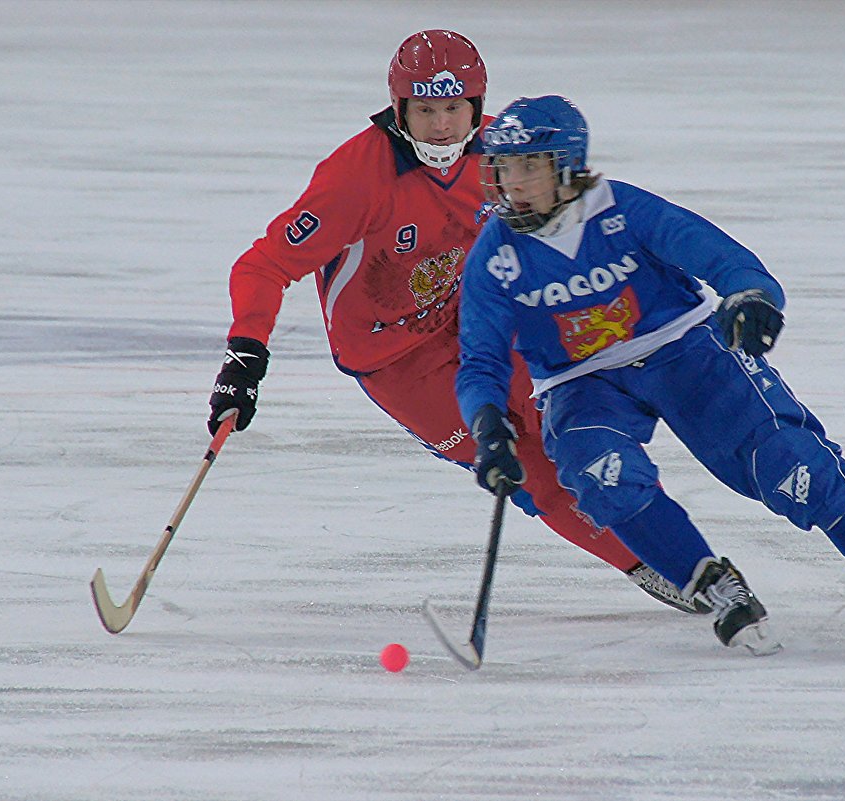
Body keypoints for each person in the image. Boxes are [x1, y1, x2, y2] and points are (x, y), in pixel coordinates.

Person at [455, 94, 845, 656]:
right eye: (504, 166)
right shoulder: (495, 257)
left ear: (566, 165)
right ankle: (713, 587)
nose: (511, 181)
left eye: (527, 165)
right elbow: (481, 361)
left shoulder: (624, 211)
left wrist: (751, 296)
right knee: (601, 476)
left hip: (683, 350)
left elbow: (718, 256)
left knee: (794, 463)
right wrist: (488, 422)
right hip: (580, 383)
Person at [206, 31, 705, 613]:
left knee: (581, 430)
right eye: (424, 111)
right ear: (399, 109)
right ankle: (646, 567)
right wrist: (245, 355)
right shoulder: (354, 179)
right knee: (531, 472)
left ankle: (688, 564)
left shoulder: (505, 154)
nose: (440, 127)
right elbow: (263, 266)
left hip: (484, 322)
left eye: (453, 109)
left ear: (476, 104)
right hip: (395, 360)